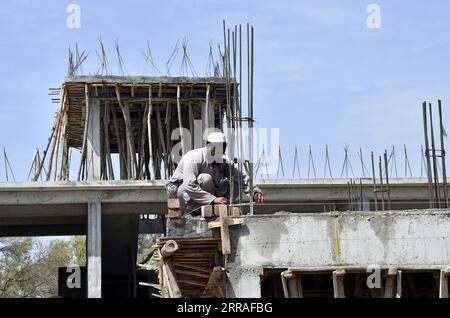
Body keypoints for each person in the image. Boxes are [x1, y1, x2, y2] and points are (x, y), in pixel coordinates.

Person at [166, 132, 264, 214]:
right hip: (183, 194)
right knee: (206, 178)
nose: (219, 155)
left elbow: (240, 177)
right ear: (209, 147)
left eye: (221, 151)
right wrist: (213, 199)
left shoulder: (222, 160)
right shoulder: (193, 157)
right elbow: (189, 185)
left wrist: (254, 191)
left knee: (236, 183)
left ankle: (216, 208)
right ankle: (195, 211)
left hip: (206, 197)